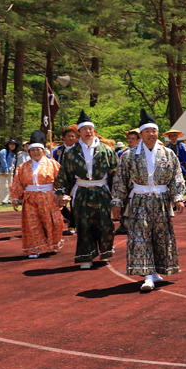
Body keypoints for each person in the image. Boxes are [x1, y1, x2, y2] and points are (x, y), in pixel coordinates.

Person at [111, 110, 186, 292]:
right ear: (141, 135)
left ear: (158, 133)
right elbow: (120, 179)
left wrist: (178, 198)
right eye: (147, 132)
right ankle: (147, 275)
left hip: (161, 200)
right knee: (141, 236)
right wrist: (117, 202)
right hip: (139, 200)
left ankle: (157, 272)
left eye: (154, 131)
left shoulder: (168, 154)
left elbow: (177, 176)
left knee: (161, 237)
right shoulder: (129, 155)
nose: (151, 134)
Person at [54, 110, 118, 269]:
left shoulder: (106, 150)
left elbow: (116, 173)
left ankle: (105, 251)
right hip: (82, 191)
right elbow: (64, 174)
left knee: (106, 223)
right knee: (83, 224)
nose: (88, 132)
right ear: (79, 132)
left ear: (94, 130)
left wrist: (118, 194)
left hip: (102, 190)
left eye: (90, 128)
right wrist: (62, 192)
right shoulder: (71, 153)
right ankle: (86, 256)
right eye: (84, 129)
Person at [9, 130, 64, 258]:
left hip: (48, 197)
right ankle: (35, 248)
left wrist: (62, 194)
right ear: (29, 152)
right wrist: (15, 197)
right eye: (33, 150)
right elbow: (17, 182)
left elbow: (61, 181)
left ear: (43, 150)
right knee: (33, 223)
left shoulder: (53, 164)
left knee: (54, 222)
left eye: (38, 149)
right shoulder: (23, 167)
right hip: (31, 198)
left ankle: (52, 245)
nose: (35, 152)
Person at [0, 139, 18, 204]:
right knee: (4, 185)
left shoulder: (13, 153)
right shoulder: (3, 151)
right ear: (8, 145)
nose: (12, 146)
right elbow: (3, 161)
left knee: (9, 185)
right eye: (11, 144)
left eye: (14, 144)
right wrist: (6, 170)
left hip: (10, 171)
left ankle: (7, 199)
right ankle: (3, 200)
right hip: (2, 171)